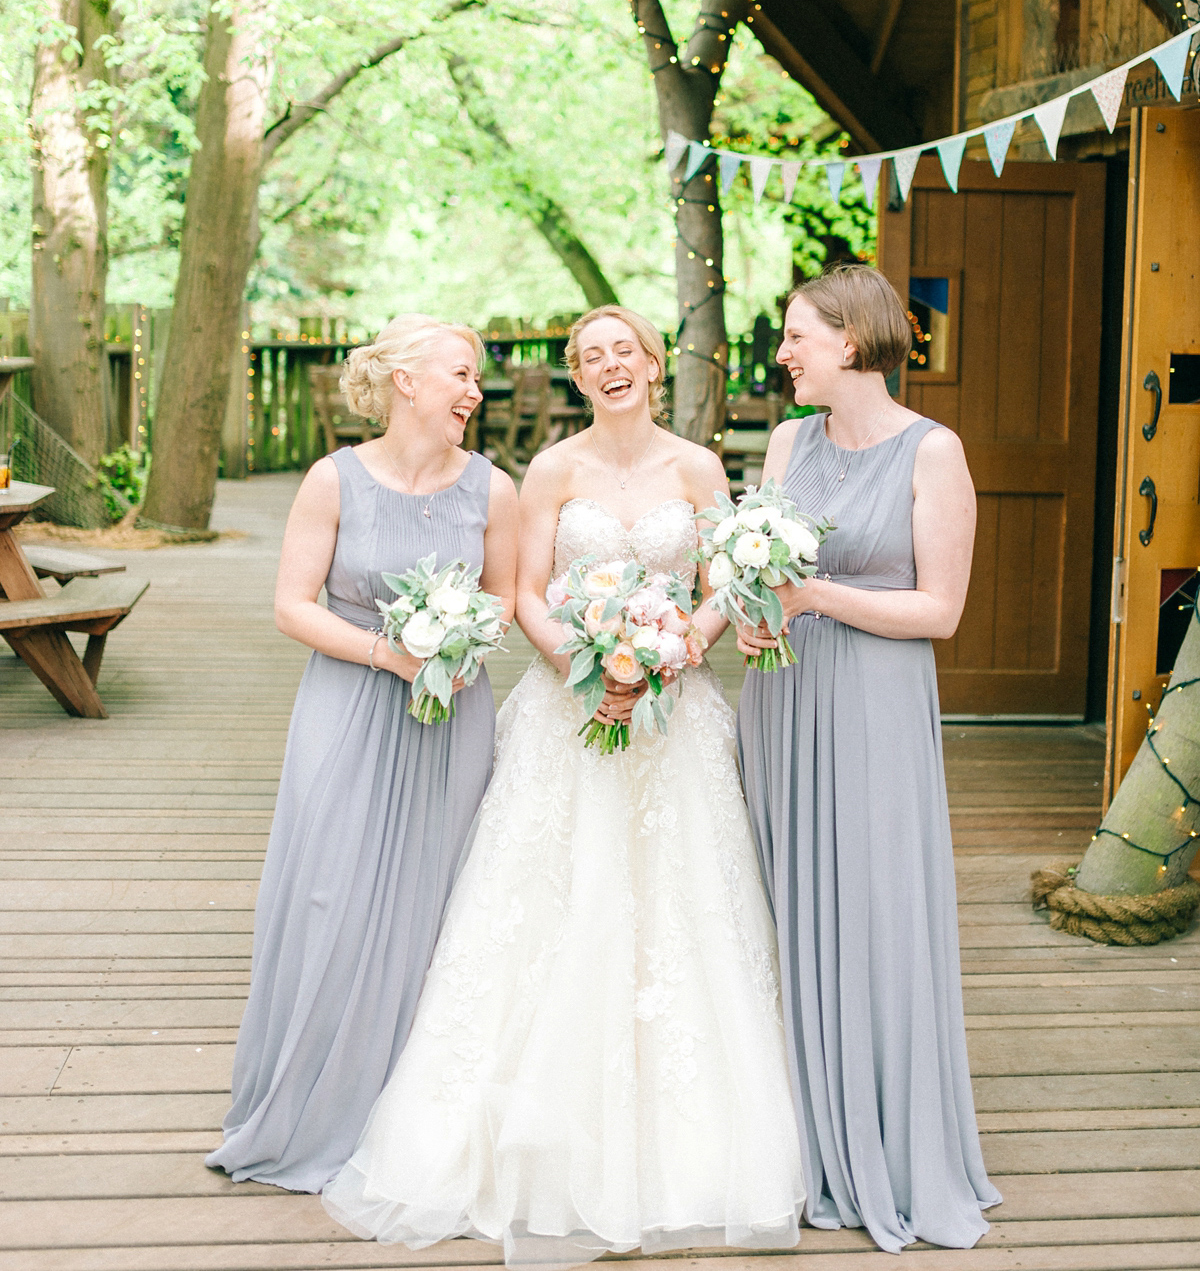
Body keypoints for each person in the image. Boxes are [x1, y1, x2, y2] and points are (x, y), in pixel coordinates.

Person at [322, 305, 806, 1265]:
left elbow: (717, 582)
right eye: (589, 358)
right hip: (569, 710)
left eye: (622, 351)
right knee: (552, 906)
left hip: (678, 712)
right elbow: (525, 593)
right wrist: (590, 664)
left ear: (653, 364)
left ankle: (692, 1144)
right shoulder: (550, 470)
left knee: (685, 915)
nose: (608, 366)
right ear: (577, 378)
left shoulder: (699, 469)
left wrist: (671, 654)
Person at [206, 316, 518, 1192]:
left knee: (436, 901)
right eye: (462, 373)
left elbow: (502, 600)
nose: (474, 390)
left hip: (450, 717)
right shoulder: (331, 479)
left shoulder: (494, 489)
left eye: (477, 377)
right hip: (346, 707)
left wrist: (457, 647)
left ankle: (406, 1117)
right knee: (328, 895)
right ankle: (306, 1102)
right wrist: (393, 652)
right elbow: (292, 606)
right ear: (408, 381)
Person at [736, 263, 1001, 1253]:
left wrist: (813, 599)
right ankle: (793, 1141)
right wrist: (756, 622)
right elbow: (759, 570)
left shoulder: (936, 453)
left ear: (851, 341)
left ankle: (882, 1141)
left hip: (876, 707)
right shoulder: (785, 441)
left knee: (873, 908)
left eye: (798, 336)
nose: (784, 354)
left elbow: (939, 610)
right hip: (785, 699)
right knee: (781, 902)